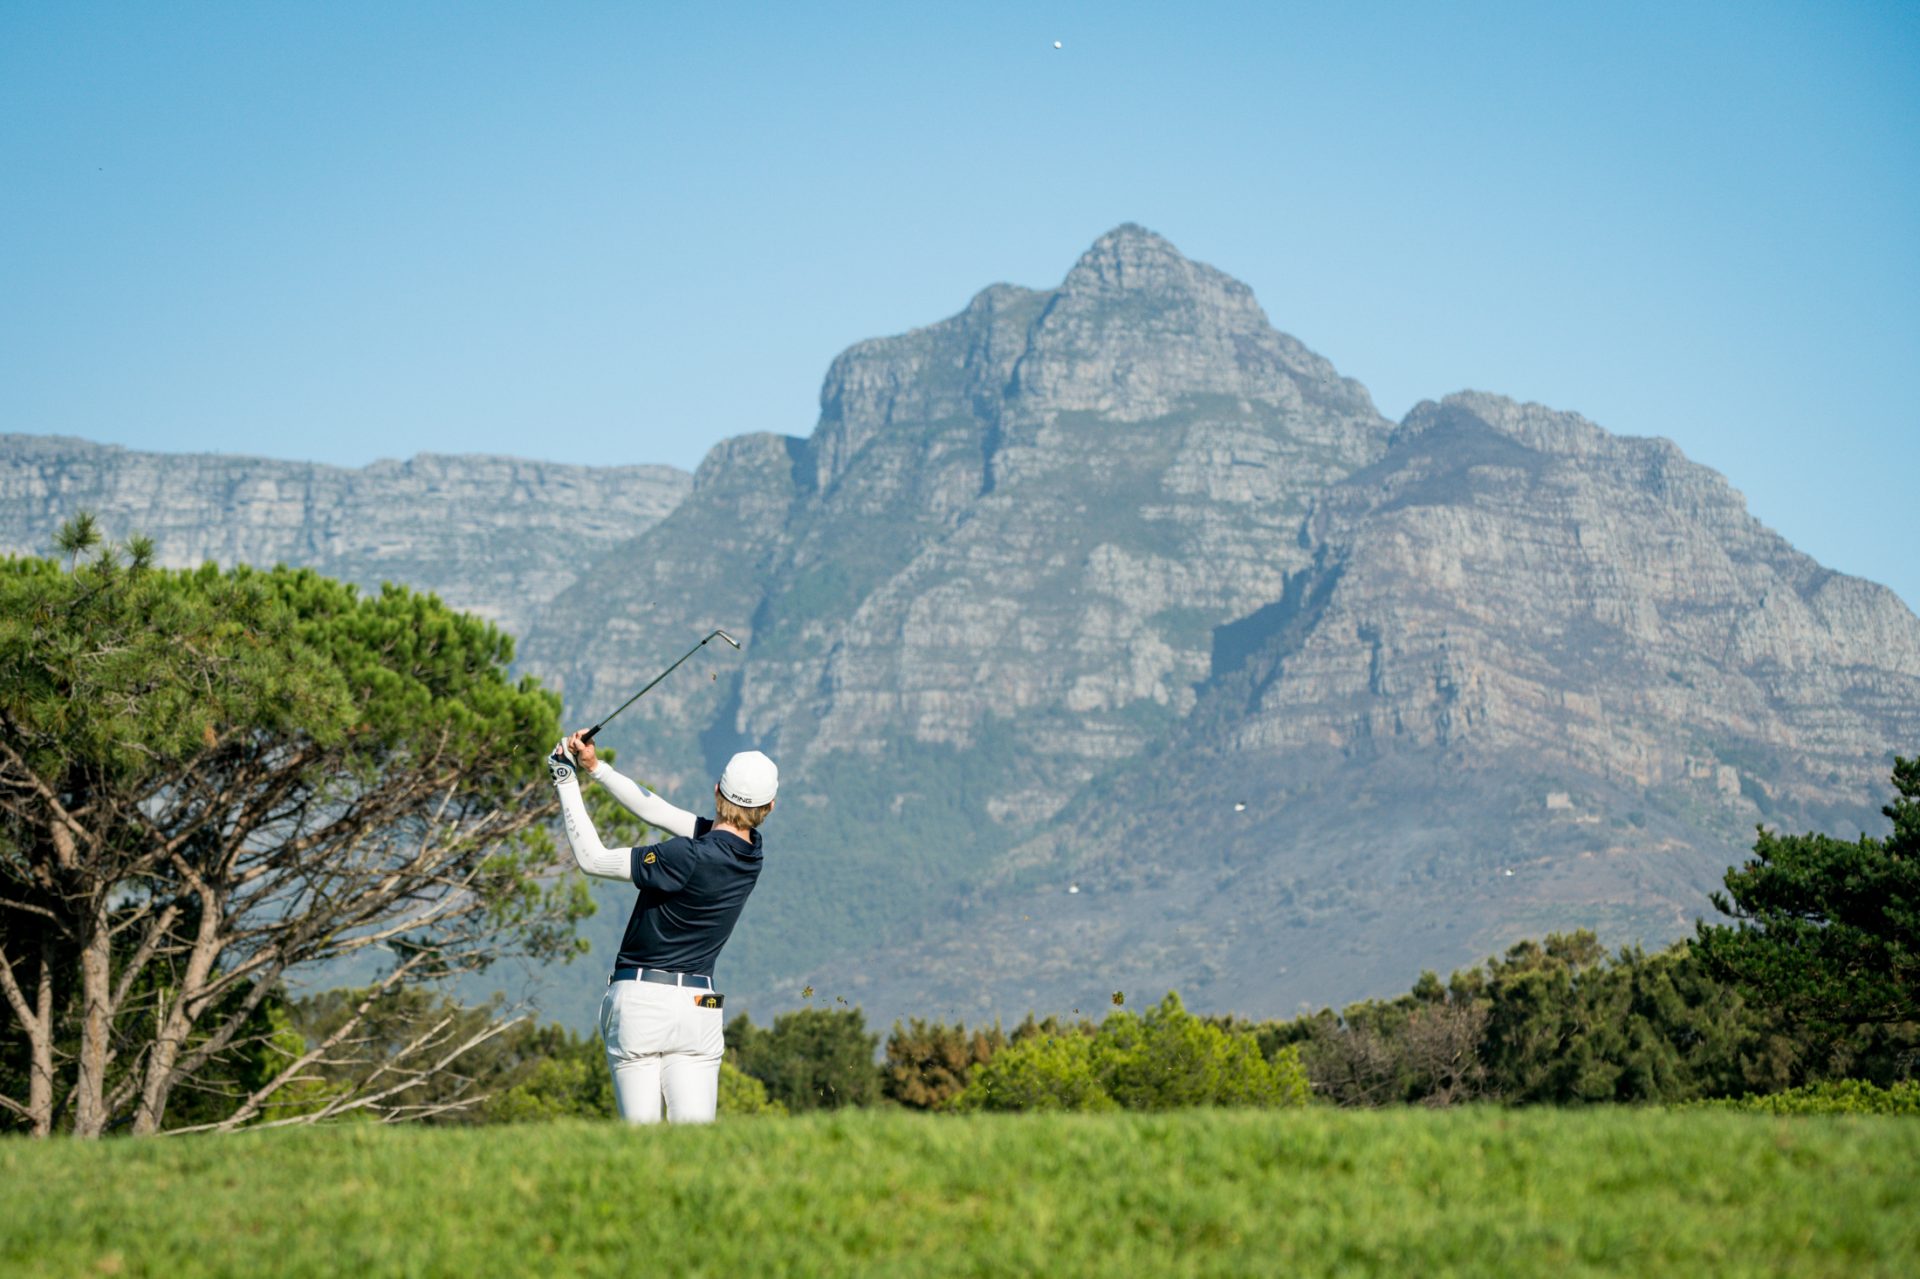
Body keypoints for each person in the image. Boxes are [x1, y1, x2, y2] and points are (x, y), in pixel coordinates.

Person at [546, 731, 777, 1124]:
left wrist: (564, 778)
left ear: (716, 791)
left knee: (642, 1144)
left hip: (641, 1001)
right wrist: (597, 769)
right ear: (769, 807)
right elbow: (659, 812)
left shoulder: (683, 855)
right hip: (700, 1007)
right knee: (694, 1144)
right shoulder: (751, 854)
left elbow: (593, 859)